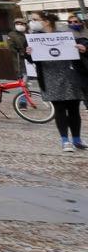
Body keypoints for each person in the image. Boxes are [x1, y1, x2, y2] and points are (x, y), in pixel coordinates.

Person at [24, 14, 87, 152]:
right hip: (49, 76)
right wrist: (28, 53)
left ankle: (77, 139)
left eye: (36, 19)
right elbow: (30, 59)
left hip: (70, 75)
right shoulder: (33, 38)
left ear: (46, 21)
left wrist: (83, 49)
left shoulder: (65, 34)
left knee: (74, 109)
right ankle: (65, 140)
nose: (32, 22)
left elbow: (83, 46)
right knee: (59, 109)